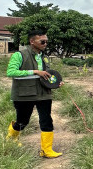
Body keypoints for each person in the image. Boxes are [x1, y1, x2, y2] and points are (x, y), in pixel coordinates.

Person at [5, 29, 62, 158]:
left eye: (47, 41)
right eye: (42, 41)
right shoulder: (19, 55)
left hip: (44, 94)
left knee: (46, 120)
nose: (45, 43)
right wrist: (35, 72)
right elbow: (11, 72)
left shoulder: (44, 57)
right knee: (22, 121)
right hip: (24, 95)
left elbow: (46, 75)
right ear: (32, 41)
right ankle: (11, 138)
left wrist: (55, 82)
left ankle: (46, 150)